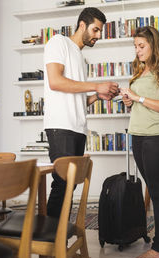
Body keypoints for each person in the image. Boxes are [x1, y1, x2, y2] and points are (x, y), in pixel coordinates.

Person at [43, 7, 119, 219]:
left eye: (100, 32)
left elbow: (76, 100)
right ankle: (51, 245)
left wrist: (97, 96)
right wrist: (96, 86)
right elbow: (56, 82)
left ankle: (60, 243)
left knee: (70, 186)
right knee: (62, 184)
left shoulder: (79, 56)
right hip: (61, 126)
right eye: (95, 30)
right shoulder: (58, 42)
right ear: (82, 25)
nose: (97, 36)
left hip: (76, 127)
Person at [120, 26, 159, 258]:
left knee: (156, 192)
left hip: (157, 136)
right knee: (157, 188)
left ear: (153, 45)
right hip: (138, 135)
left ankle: (158, 247)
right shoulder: (140, 70)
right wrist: (129, 102)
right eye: (135, 46)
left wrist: (138, 98)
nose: (137, 51)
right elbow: (137, 105)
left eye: (141, 46)